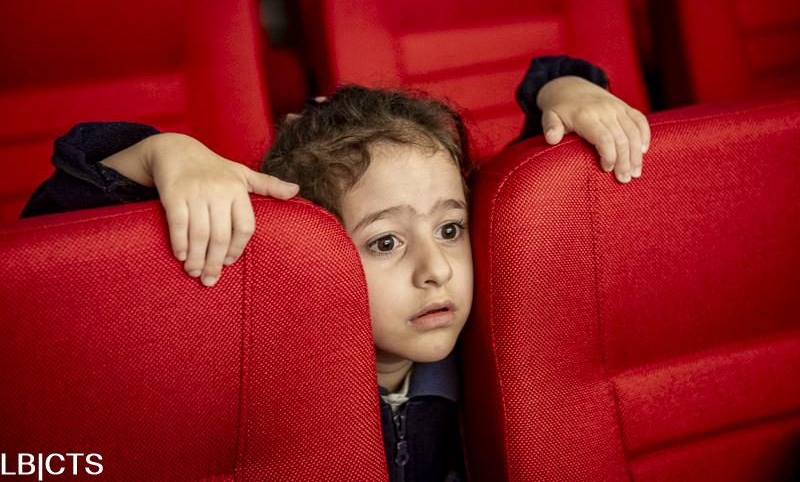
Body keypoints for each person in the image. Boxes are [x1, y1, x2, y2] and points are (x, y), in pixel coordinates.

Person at [22, 57, 650, 481]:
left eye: (449, 229)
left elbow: (526, 198)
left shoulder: (496, 344)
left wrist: (564, 90)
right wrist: (167, 152)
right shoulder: (262, 361)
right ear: (316, 258)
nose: (436, 270)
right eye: (385, 242)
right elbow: (48, 251)